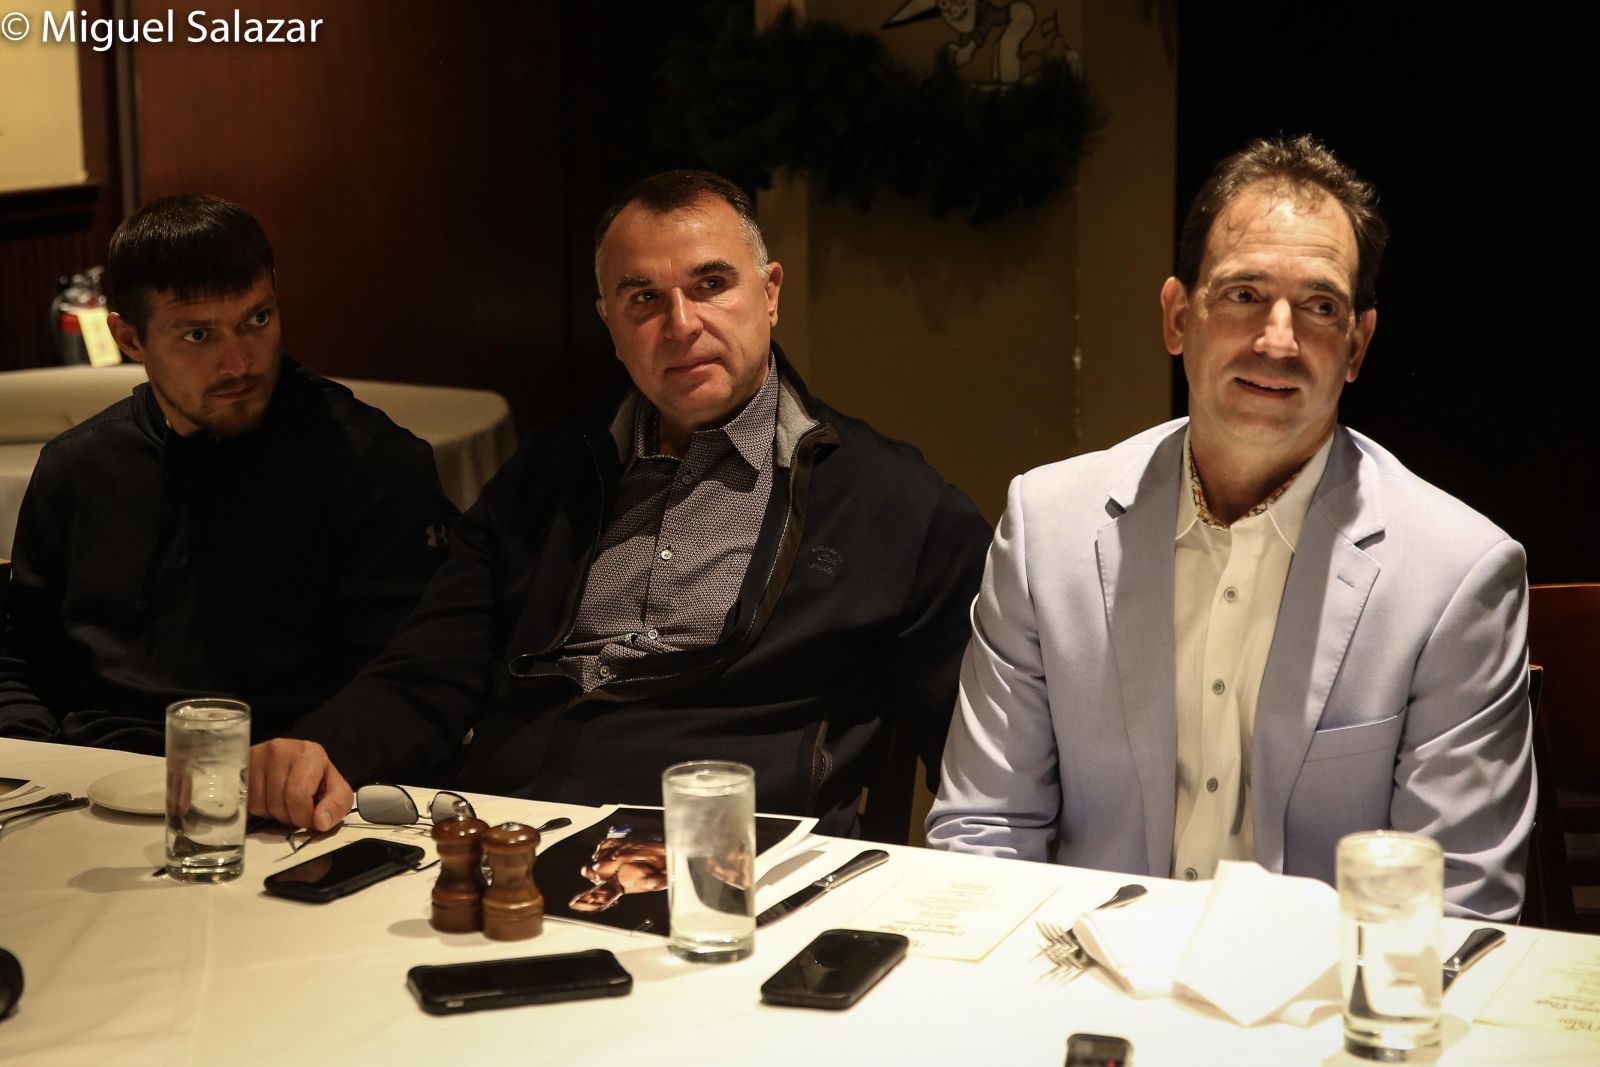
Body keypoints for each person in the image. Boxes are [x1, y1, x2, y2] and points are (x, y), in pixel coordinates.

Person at [252, 170, 991, 837]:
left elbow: (977, 769)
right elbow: (430, 671)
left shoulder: (894, 506)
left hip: (731, 861)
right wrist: (323, 746)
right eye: (644, 299)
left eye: (711, 284)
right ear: (609, 322)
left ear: (769, 293)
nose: (681, 324)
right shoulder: (548, 476)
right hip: (506, 840)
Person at [926, 135, 1535, 921]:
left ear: (1357, 345)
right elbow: (984, 832)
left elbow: (1453, 906)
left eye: (1320, 306)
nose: (1278, 340)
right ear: (1179, 317)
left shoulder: (1457, 573)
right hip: (1082, 974)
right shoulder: (1047, 530)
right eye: (1244, 294)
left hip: (1320, 991)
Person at [0, 194, 457, 754]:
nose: (239, 363)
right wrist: (37, 761)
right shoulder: (78, 466)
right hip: (90, 775)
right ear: (129, 338)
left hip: (284, 780)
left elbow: (413, 685)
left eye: (256, 319)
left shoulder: (371, 464)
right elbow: (20, 665)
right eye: (198, 335)